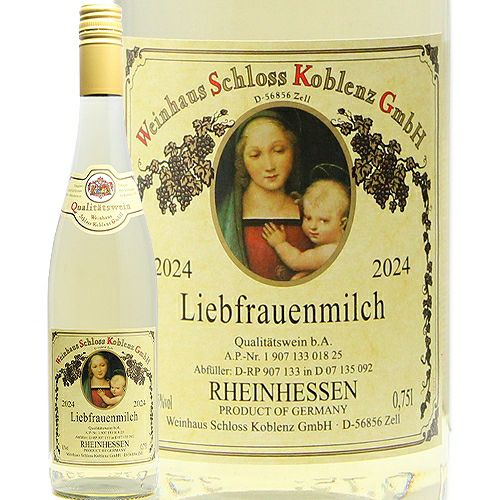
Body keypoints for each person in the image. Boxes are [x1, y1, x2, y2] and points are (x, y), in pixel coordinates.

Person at [218, 110, 311, 280]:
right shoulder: (226, 216)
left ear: (293, 151)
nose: (269, 166)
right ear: (242, 160)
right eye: (255, 155)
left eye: (278, 151)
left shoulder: (310, 212)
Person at [262, 169, 350, 279]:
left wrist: (279, 243)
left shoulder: (329, 251)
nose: (313, 226)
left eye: (323, 221)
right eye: (308, 218)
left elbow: (296, 261)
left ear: (342, 223)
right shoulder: (336, 239)